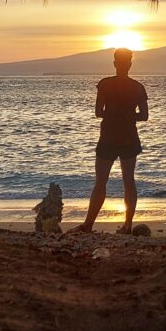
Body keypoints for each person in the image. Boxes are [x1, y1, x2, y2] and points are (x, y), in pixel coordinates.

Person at [71, 47, 148, 234]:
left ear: (115, 63)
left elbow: (98, 112)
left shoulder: (105, 85)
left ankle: (88, 224)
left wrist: (113, 115)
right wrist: (128, 117)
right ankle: (128, 225)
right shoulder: (138, 87)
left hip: (108, 137)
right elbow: (144, 116)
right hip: (129, 137)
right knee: (129, 181)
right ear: (130, 64)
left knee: (100, 182)